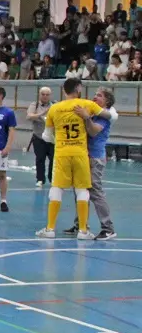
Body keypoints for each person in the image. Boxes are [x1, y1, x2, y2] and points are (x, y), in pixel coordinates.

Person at [37, 78, 102, 240]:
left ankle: (50, 229)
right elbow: (109, 115)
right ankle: (83, 231)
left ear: (64, 90)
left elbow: (46, 135)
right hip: (80, 153)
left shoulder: (54, 108)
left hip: (61, 153)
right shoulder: (87, 104)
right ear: (78, 88)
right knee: (82, 190)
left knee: (57, 188)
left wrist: (57, 140)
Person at [63, 87, 117, 240]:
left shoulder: (103, 117)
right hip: (83, 156)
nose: (95, 97)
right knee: (80, 191)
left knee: (95, 191)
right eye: (94, 94)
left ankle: (108, 228)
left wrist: (86, 118)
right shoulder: (93, 112)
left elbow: (93, 132)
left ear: (106, 101)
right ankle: (80, 224)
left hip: (95, 158)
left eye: (99, 95)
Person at [26, 87, 54, 187]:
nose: (45, 96)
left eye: (47, 94)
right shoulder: (35, 105)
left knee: (54, 159)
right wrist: (43, 113)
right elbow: (29, 116)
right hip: (39, 137)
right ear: (39, 94)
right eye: (43, 94)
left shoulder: (54, 105)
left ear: (50, 95)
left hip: (52, 139)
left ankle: (52, 179)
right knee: (40, 159)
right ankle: (40, 179)